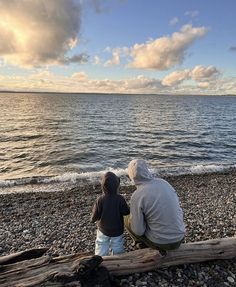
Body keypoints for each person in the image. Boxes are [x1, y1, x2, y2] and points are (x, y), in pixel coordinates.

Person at [125, 159, 185, 252]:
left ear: (131, 175)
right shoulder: (164, 183)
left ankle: (141, 244)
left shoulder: (137, 195)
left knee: (127, 218)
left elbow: (138, 231)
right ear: (147, 170)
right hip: (179, 237)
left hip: (160, 243)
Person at [91, 171, 130, 256]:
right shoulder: (120, 199)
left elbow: (95, 215)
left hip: (103, 228)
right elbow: (126, 212)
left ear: (102, 186)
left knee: (101, 243)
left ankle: (100, 258)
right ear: (117, 186)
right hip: (117, 229)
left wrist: (92, 219)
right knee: (117, 245)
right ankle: (118, 258)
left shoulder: (100, 199)